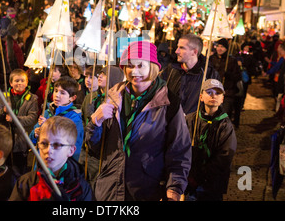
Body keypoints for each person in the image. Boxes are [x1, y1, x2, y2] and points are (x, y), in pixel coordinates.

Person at [86, 41, 192, 201]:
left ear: (153, 67)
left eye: (140, 65)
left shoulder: (169, 103)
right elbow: (94, 149)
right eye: (129, 66)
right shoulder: (112, 98)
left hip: (147, 191)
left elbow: (179, 151)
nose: (134, 71)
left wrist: (174, 189)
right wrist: (95, 123)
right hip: (110, 190)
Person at [9, 116, 93, 201]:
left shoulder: (81, 189)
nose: (48, 150)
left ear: (71, 151)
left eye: (57, 145)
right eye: (44, 143)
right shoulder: (25, 184)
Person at [185, 79, 237, 201]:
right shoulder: (189, 120)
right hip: (188, 183)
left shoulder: (226, 126)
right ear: (201, 97)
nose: (213, 96)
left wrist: (198, 178)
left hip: (211, 185)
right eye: (209, 92)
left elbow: (224, 157)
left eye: (218, 93)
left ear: (222, 99)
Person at [79, 65, 124, 184]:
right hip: (87, 150)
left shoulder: (117, 101)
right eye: (100, 74)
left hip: (103, 153)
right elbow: (83, 120)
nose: (100, 76)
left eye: (104, 74)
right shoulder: (90, 97)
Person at [0, 69, 39, 175]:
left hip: (21, 139)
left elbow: (32, 118)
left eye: (22, 80)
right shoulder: (3, 96)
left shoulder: (32, 99)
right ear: (11, 83)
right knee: (5, 166)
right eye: (16, 81)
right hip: (5, 138)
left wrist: (15, 119)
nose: (19, 83)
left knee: (20, 167)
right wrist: (3, 111)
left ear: (26, 82)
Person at [161, 33, 221, 115]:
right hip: (171, 122)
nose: (176, 51)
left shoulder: (209, 74)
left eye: (181, 48)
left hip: (194, 124)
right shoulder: (171, 69)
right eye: (177, 47)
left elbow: (215, 102)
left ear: (194, 52)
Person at [30, 76, 83, 161]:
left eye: (62, 93)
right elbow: (32, 137)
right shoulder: (48, 111)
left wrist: (47, 127)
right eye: (56, 91)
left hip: (60, 163)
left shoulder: (74, 117)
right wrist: (36, 134)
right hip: (42, 159)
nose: (57, 95)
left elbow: (74, 144)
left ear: (72, 98)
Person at [210, 38, 243, 128]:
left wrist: (228, 75)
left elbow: (238, 77)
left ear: (226, 49)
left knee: (223, 114)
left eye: (222, 47)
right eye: (218, 46)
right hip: (213, 91)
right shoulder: (211, 59)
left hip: (227, 92)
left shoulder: (231, 60)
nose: (219, 49)